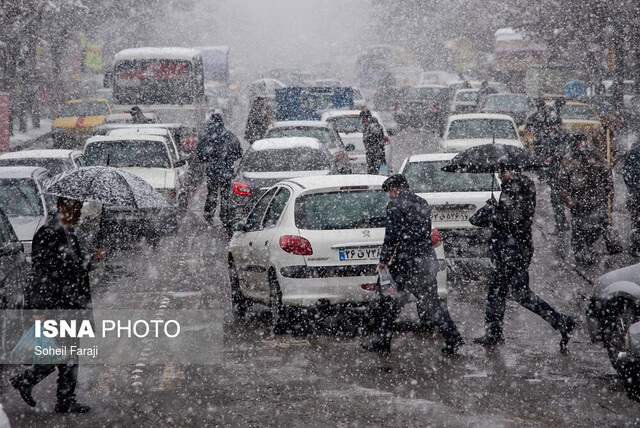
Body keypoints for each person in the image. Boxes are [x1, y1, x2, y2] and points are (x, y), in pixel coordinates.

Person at [10, 197, 102, 413]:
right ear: (62, 207)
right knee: (61, 352)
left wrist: (92, 259)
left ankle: (63, 398)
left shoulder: (68, 231)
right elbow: (45, 274)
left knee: (68, 353)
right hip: (56, 305)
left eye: (80, 208)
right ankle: (29, 382)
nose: (79, 213)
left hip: (70, 303)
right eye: (76, 208)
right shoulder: (48, 233)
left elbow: (76, 266)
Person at [472, 164, 575, 351]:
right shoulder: (523, 186)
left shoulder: (515, 188)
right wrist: (498, 208)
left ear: (512, 171)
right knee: (498, 290)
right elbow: (514, 215)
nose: (500, 176)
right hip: (515, 247)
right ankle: (493, 332)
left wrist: (493, 211)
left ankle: (560, 321)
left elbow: (511, 219)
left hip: (512, 249)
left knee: (518, 293)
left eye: (502, 172)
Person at [361, 174, 464, 356]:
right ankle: (453, 337)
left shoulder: (395, 205)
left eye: (389, 193)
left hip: (405, 265)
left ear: (394, 189)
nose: (389, 196)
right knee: (431, 304)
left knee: (391, 304)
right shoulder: (422, 202)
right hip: (425, 261)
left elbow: (391, 236)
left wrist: (384, 260)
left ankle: (381, 341)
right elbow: (425, 232)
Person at [558, 133, 613, 266]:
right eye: (578, 142)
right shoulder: (568, 159)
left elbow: (606, 171)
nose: (581, 144)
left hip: (595, 199)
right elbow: (562, 183)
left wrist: (608, 188)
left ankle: (590, 249)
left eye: (583, 141)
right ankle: (580, 255)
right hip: (577, 202)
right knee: (578, 230)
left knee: (597, 227)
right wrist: (568, 200)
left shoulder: (594, 155)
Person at [196, 113, 243, 227]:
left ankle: (209, 217)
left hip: (212, 172)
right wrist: (229, 159)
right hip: (226, 172)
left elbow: (200, 153)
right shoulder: (229, 136)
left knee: (211, 194)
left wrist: (207, 159)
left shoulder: (206, 137)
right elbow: (239, 152)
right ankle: (225, 217)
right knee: (225, 195)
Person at [538, 116, 570, 234]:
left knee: (558, 199)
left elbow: (564, 151)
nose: (550, 127)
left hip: (560, 173)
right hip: (552, 173)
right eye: (549, 124)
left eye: (553, 124)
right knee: (555, 200)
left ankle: (561, 223)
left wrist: (554, 157)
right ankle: (561, 222)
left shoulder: (563, 136)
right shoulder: (548, 136)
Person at [623, 144, 640, 256]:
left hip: (636, 192)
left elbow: (626, 172)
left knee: (636, 220)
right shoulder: (633, 153)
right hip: (636, 191)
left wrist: (631, 188)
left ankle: (636, 245)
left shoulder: (633, 153)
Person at [360, 109, 386, 174]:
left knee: (376, 172)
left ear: (367, 118)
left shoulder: (374, 127)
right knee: (375, 171)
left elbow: (378, 141)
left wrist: (375, 152)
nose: (362, 120)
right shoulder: (368, 126)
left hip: (375, 155)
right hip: (372, 154)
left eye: (363, 118)